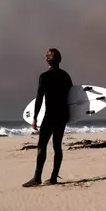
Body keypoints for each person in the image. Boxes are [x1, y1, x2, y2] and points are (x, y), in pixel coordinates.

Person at [23, 48, 73, 187]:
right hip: (62, 116)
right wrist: (69, 114)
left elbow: (39, 99)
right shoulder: (66, 76)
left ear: (47, 61)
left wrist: (34, 118)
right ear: (59, 60)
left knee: (42, 146)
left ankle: (37, 177)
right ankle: (53, 177)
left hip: (50, 116)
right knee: (57, 146)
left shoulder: (44, 77)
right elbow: (72, 97)